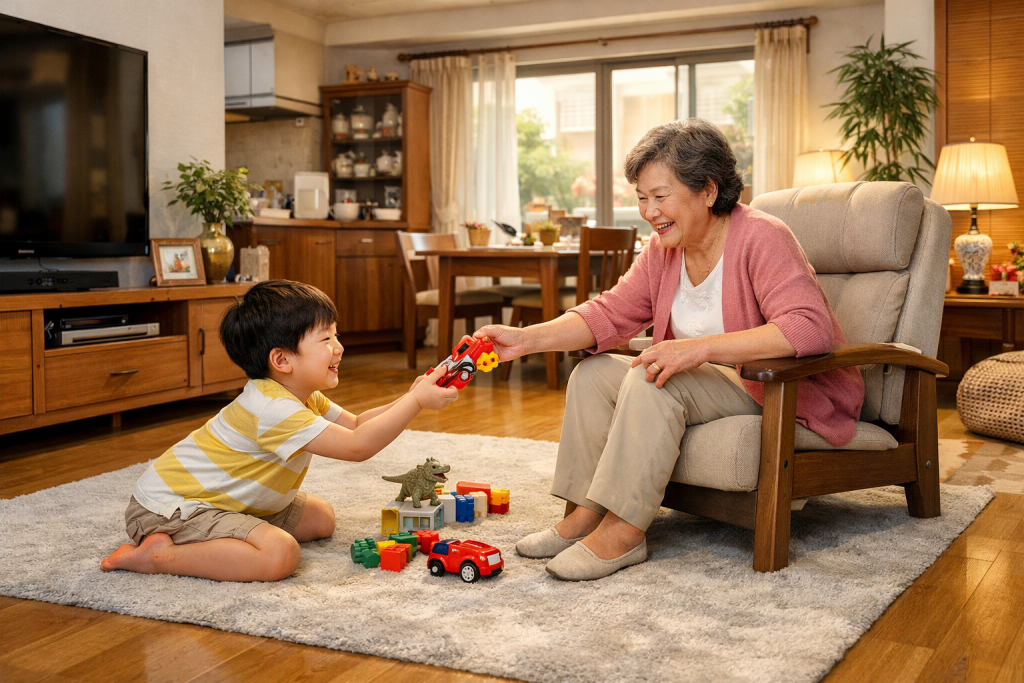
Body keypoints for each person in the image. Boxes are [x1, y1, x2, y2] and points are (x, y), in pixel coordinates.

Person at [475, 118, 864, 581]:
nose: (648, 211)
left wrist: (696, 349)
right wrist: (527, 339)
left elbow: (808, 328)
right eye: (642, 198)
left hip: (773, 388)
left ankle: (624, 533)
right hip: (711, 383)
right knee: (594, 374)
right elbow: (609, 312)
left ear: (708, 190)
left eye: (660, 196)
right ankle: (584, 515)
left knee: (653, 374)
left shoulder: (763, 236)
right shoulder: (663, 250)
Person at [101, 280, 458, 582]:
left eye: (336, 335)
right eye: (326, 339)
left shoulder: (301, 395)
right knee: (280, 555)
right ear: (282, 360)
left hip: (224, 501)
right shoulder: (273, 409)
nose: (339, 347)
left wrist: (411, 396)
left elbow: (355, 425)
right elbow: (357, 447)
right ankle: (159, 556)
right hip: (170, 509)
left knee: (321, 519)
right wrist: (416, 403)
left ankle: (222, 534)